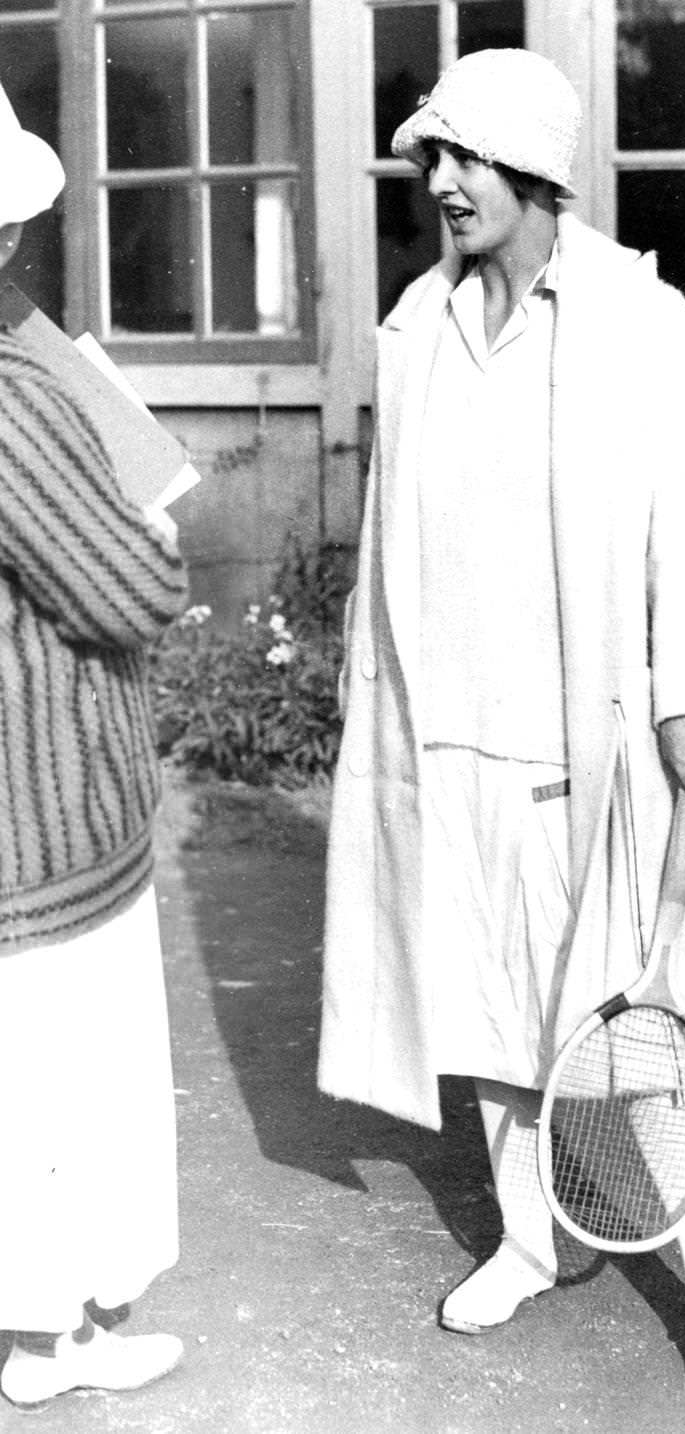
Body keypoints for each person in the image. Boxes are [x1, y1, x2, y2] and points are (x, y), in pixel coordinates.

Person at [318, 48, 685, 1399]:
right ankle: (533, 1236)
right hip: (445, 729)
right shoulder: (419, 325)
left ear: (533, 163)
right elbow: (390, 544)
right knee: (487, 1008)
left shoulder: (638, 319)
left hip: (595, 738)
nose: (439, 183)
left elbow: (679, 533)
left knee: (643, 1018)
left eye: (461, 157)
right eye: (429, 159)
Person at [0, 84, 188, 1406]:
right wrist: (159, 550)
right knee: (62, 1081)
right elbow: (116, 589)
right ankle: (51, 1341)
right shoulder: (11, 396)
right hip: (42, 798)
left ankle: (42, 1329)